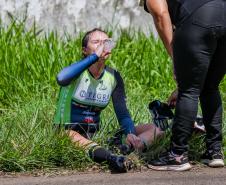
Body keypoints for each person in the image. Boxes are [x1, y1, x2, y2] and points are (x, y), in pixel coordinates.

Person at [54, 28, 163, 172]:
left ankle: (129, 151)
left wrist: (130, 133)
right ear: (85, 50)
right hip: (68, 132)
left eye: (106, 42)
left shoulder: (113, 77)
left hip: (97, 134)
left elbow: (122, 114)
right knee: (68, 135)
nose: (102, 45)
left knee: (156, 129)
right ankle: (111, 158)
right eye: (96, 42)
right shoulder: (76, 72)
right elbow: (61, 79)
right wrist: (94, 57)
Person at [142, 0, 226, 171]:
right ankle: (215, 151)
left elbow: (160, 14)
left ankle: (177, 155)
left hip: (199, 19)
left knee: (190, 91)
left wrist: (176, 55)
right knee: (210, 87)